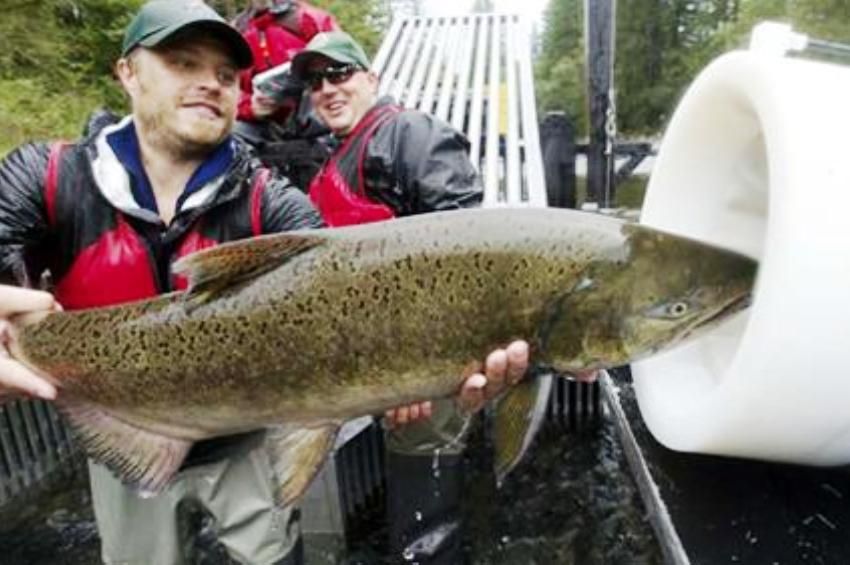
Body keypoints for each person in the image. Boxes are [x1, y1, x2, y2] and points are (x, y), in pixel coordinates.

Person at [0, 2, 530, 564]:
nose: (210, 84)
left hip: (248, 442)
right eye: (183, 63)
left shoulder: (273, 200)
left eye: (227, 76)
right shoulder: (43, 176)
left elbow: (344, 307)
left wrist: (430, 362)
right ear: (127, 73)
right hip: (124, 426)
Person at [232, 0, 339, 189]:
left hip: (315, 126)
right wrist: (251, 106)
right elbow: (226, 87)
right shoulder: (236, 31)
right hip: (261, 130)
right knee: (228, 138)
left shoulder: (310, 18)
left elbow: (342, 67)